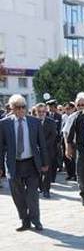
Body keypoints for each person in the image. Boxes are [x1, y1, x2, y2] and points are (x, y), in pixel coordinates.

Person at [0, 94, 48, 231]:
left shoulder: (34, 122)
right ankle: (24, 220)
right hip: (14, 165)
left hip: (31, 163)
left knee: (32, 194)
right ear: (12, 108)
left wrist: (45, 162)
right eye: (18, 108)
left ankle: (36, 220)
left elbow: (42, 144)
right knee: (18, 195)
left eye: (23, 107)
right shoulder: (4, 124)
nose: (21, 110)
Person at [35, 103, 58, 199]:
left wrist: (42, 146)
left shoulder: (51, 122)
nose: (41, 113)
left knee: (47, 171)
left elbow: (53, 137)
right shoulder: (32, 121)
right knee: (37, 171)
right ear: (36, 112)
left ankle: (46, 190)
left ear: (46, 112)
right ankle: (40, 187)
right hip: (35, 151)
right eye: (39, 112)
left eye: (43, 111)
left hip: (47, 151)